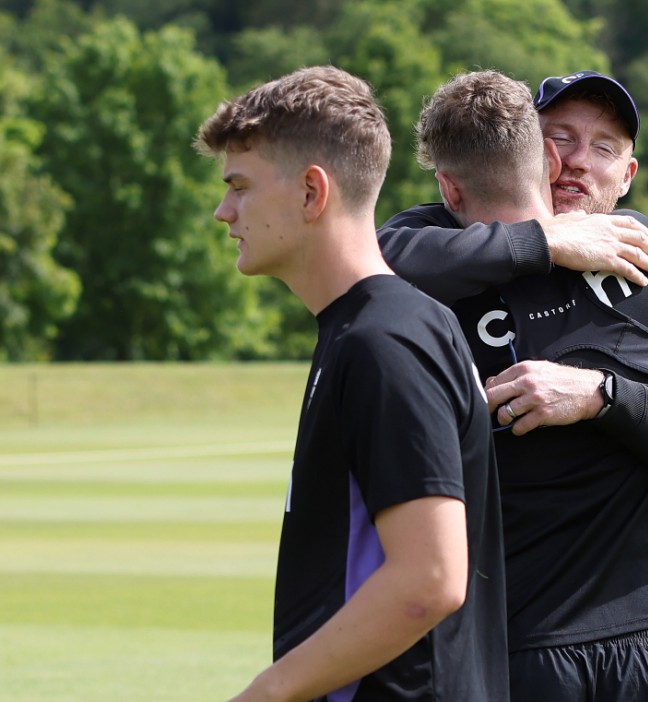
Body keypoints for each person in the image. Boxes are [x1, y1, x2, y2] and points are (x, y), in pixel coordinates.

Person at [379, 69, 648, 701]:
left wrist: (601, 395)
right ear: (531, 152)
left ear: (627, 175)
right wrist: (542, 240)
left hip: (637, 646)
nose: (579, 161)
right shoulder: (447, 259)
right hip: (502, 647)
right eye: (561, 138)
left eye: (605, 146)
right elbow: (374, 259)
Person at [193, 66, 508, 702]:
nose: (223, 211)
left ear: (312, 193)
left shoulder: (383, 342)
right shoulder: (369, 330)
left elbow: (431, 579)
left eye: (239, 186)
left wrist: (270, 691)